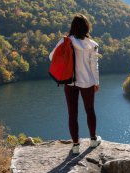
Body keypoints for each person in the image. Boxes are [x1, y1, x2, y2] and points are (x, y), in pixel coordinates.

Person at [49, 14, 102, 154]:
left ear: (72, 27)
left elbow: (51, 56)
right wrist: (96, 82)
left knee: (72, 114)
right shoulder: (92, 45)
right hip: (88, 82)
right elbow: (94, 66)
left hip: (70, 81)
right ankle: (93, 140)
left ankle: (76, 145)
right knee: (90, 110)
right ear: (86, 27)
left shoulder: (66, 41)